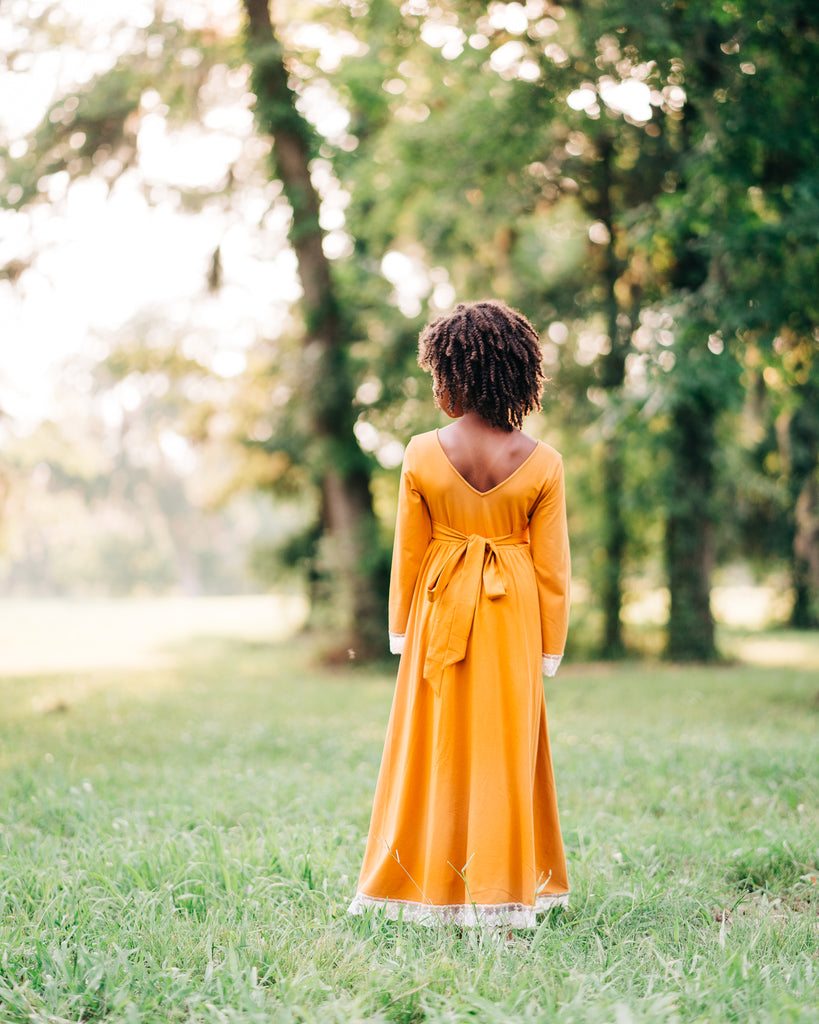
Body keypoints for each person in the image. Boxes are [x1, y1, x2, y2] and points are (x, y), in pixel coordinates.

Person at [348, 299, 571, 931]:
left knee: (435, 744)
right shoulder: (545, 462)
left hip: (438, 610)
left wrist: (399, 627)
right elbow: (554, 569)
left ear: (451, 373)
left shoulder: (420, 453)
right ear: (518, 374)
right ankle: (503, 891)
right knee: (505, 746)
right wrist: (551, 644)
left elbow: (409, 553)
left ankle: (426, 885)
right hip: (515, 617)